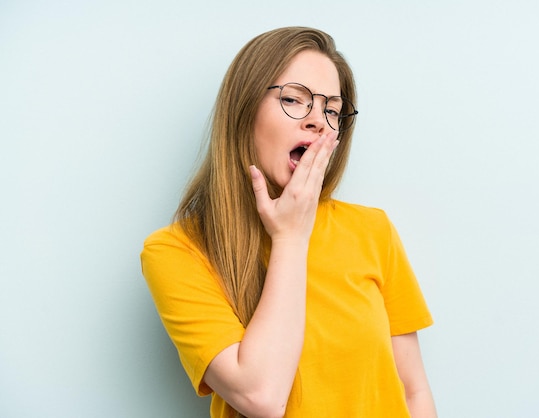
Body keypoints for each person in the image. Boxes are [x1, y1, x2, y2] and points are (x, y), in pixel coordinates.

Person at [141, 26, 437, 418]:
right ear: (243, 110)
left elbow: (413, 392)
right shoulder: (176, 252)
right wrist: (290, 238)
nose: (318, 121)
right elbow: (261, 398)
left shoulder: (372, 230)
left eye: (332, 109)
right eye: (295, 100)